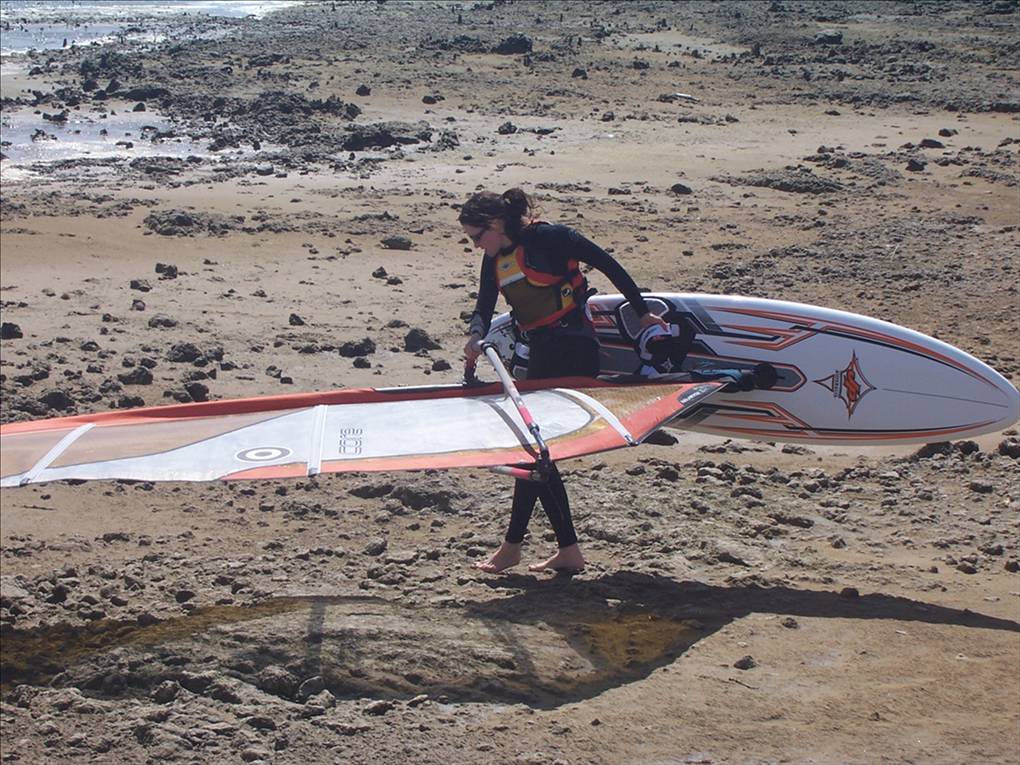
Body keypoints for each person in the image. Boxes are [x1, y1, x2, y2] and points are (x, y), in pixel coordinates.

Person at [459, 188, 667, 574]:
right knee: (537, 454)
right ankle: (562, 551)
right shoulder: (496, 261)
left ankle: (515, 548)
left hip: (574, 348)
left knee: (536, 453)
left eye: (476, 236)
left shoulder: (551, 238)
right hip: (538, 353)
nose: (474, 246)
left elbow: (609, 264)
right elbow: (484, 305)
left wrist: (642, 314)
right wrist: (475, 335)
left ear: (496, 224)